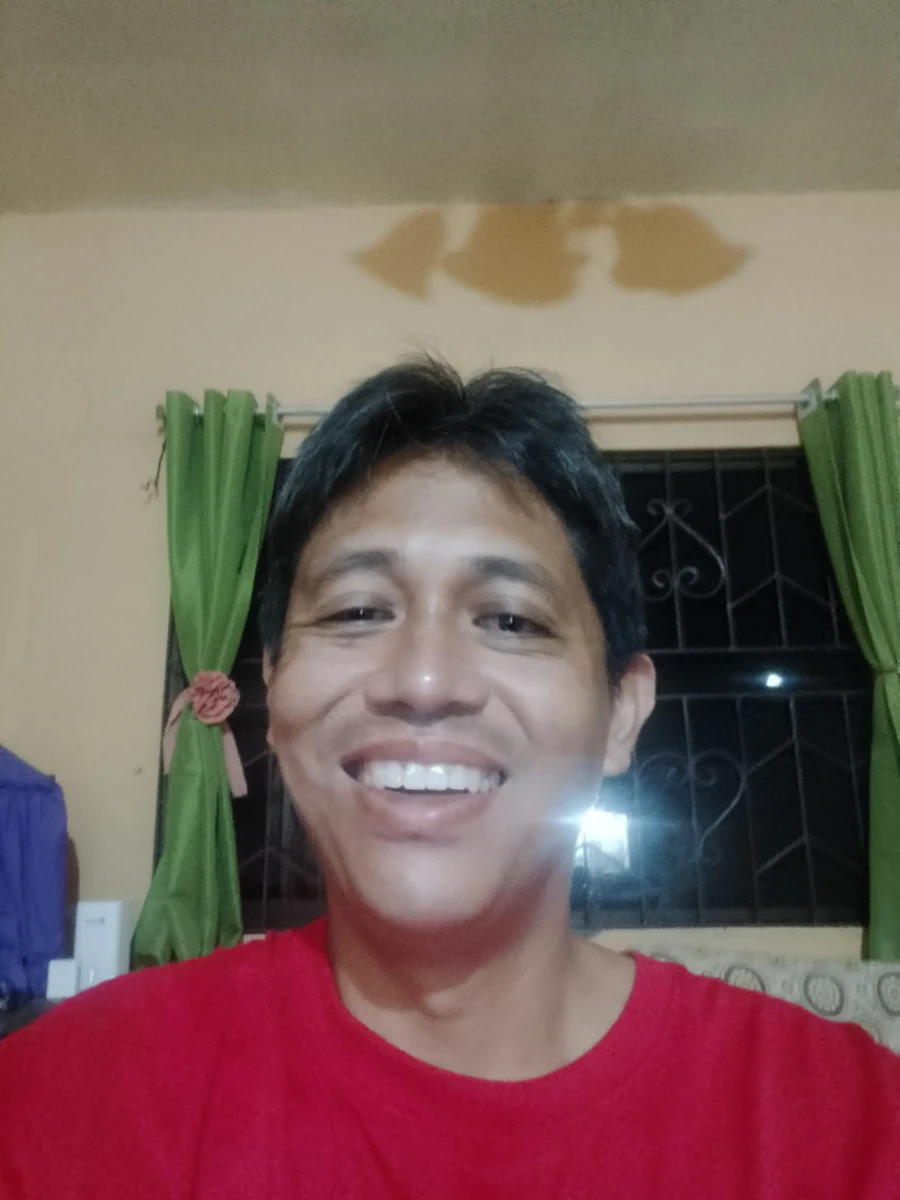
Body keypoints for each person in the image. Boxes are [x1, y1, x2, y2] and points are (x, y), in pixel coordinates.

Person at [1, 361, 898, 1199]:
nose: (424, 680)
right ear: (272, 689)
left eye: (511, 621)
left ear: (621, 712)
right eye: (358, 610)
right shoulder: (66, 1099)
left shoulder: (850, 1126)